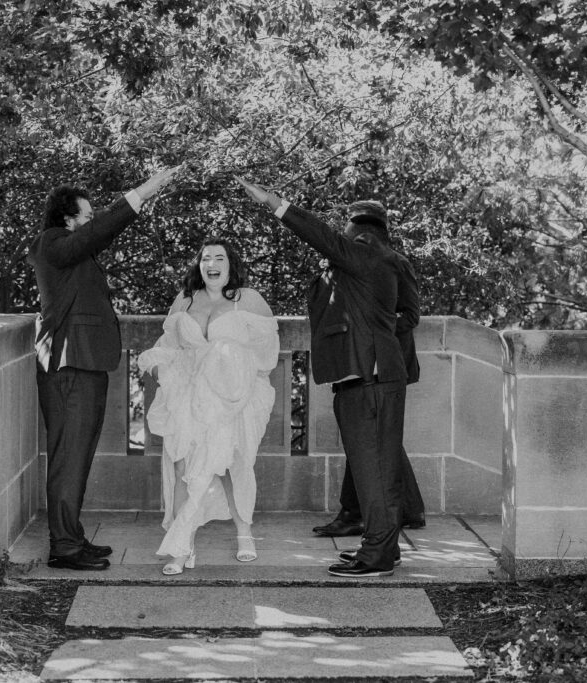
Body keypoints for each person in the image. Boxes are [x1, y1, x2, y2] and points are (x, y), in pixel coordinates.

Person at [237, 177, 407, 578]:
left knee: (374, 471)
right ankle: (386, 547)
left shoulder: (364, 253)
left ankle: (377, 554)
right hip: (371, 376)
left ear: (358, 231)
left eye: (346, 230)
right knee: (379, 469)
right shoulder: (381, 259)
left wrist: (274, 202)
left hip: (369, 377)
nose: (342, 237)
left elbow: (320, 237)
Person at [28, 166, 179, 571]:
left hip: (84, 361)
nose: (93, 222)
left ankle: (72, 536)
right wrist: (142, 193)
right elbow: (99, 233)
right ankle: (63, 547)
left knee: (78, 454)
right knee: (68, 456)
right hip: (68, 364)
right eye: (87, 215)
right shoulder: (52, 242)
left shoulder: (70, 246)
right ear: (68, 218)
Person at [137, 238, 279, 575]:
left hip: (233, 396)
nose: (212, 263)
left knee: (232, 465)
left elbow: (267, 350)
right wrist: (160, 369)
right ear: (199, 265)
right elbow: (167, 344)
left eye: (220, 257)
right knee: (185, 466)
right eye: (206, 258)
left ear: (231, 265)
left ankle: (245, 534)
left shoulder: (249, 299)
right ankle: (184, 546)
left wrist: (232, 370)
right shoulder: (185, 300)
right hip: (190, 396)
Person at [313, 202, 426, 540]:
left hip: (382, 366)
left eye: (353, 226)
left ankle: (363, 515)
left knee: (373, 447)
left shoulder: (394, 262)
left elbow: (411, 315)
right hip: (356, 365)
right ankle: (399, 511)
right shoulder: (349, 263)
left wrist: (374, 330)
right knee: (372, 447)